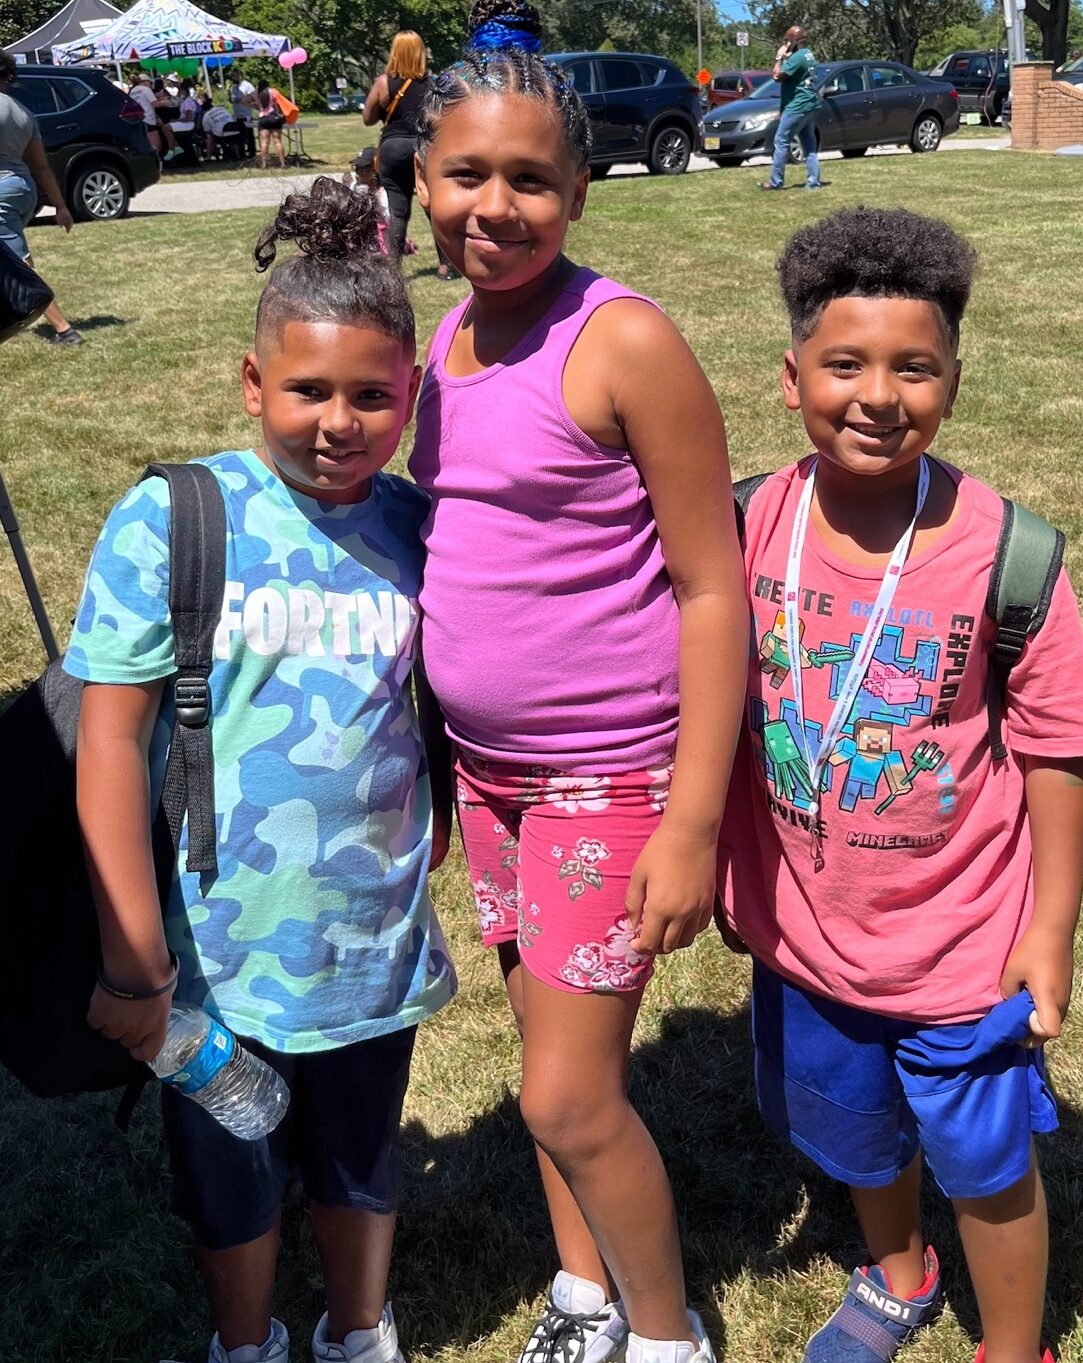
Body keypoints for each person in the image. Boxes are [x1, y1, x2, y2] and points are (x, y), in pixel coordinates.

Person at [65, 177, 456, 1363]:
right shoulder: (173, 520)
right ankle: (246, 1343)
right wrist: (135, 958)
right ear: (252, 385)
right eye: (306, 390)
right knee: (228, 1177)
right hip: (211, 958)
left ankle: (357, 1327)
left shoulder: (419, 526)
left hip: (370, 942)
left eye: (369, 395)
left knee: (357, 1158)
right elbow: (109, 741)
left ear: (409, 398)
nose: (337, 421)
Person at [409, 9, 748, 1361]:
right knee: (550, 1058)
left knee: (565, 1093)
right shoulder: (440, 346)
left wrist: (692, 819)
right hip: (491, 779)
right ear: (419, 179)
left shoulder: (622, 344)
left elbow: (710, 587)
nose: (497, 206)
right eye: (467, 175)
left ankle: (666, 1331)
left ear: (579, 189)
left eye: (531, 180)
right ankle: (582, 1287)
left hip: (612, 777)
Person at [718, 206, 1083, 1363]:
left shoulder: (1005, 552)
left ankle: (1009, 1345)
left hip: (961, 946)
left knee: (987, 1164)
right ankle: (897, 1272)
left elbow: (1053, 746)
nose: (876, 394)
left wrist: (1049, 928)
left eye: (913, 367)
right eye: (843, 364)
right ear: (790, 378)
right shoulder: (743, 521)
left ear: (952, 380)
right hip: (805, 937)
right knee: (849, 1136)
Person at [0, 52, 83, 345]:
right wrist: (60, 206)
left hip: (1, 196)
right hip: (23, 189)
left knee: (18, 266)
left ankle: (64, 330)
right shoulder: (22, 112)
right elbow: (41, 166)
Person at [362, 30, 429, 258]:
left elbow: (368, 118)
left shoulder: (383, 83)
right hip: (424, 147)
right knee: (434, 208)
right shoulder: (433, 83)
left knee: (398, 210)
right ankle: (445, 266)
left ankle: (393, 266)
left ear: (395, 53)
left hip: (394, 147)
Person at [759, 25, 821, 192]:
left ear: (794, 41)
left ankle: (776, 182)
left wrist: (779, 57)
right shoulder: (809, 55)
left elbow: (777, 77)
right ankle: (813, 183)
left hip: (798, 106)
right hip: (811, 104)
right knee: (809, 144)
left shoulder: (797, 58)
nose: (785, 43)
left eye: (787, 41)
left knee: (781, 141)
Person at [128, 72, 177, 161]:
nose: (151, 85)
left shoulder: (133, 91)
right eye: (150, 83)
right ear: (145, 81)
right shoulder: (146, 89)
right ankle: (155, 164)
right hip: (148, 119)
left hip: (138, 120)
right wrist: (166, 103)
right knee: (156, 145)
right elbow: (155, 104)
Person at [228, 68, 258, 158]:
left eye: (235, 75)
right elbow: (232, 99)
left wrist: (241, 99)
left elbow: (253, 97)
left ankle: (252, 152)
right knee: (239, 134)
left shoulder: (247, 85)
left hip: (246, 114)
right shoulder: (233, 88)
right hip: (237, 114)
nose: (234, 78)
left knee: (249, 134)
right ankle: (241, 153)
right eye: (232, 76)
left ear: (240, 75)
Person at [255, 80, 286, 169]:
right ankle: (282, 163)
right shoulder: (273, 91)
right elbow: (281, 102)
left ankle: (264, 163)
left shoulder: (256, 93)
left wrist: (255, 106)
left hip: (263, 118)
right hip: (274, 118)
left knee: (264, 143)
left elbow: (245, 100)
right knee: (277, 142)